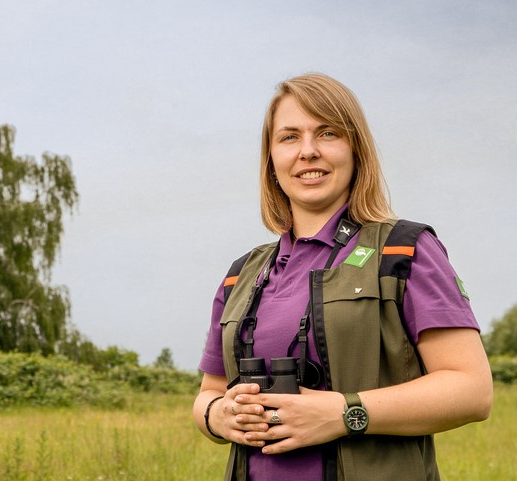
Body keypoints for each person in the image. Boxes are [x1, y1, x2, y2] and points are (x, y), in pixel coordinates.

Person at [193, 73, 493, 481]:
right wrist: (219, 416)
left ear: (356, 150)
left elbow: (472, 391)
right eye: (289, 137)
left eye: (328, 133)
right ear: (271, 159)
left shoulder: (404, 250)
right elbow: (208, 393)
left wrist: (343, 413)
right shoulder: (242, 275)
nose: (308, 152)